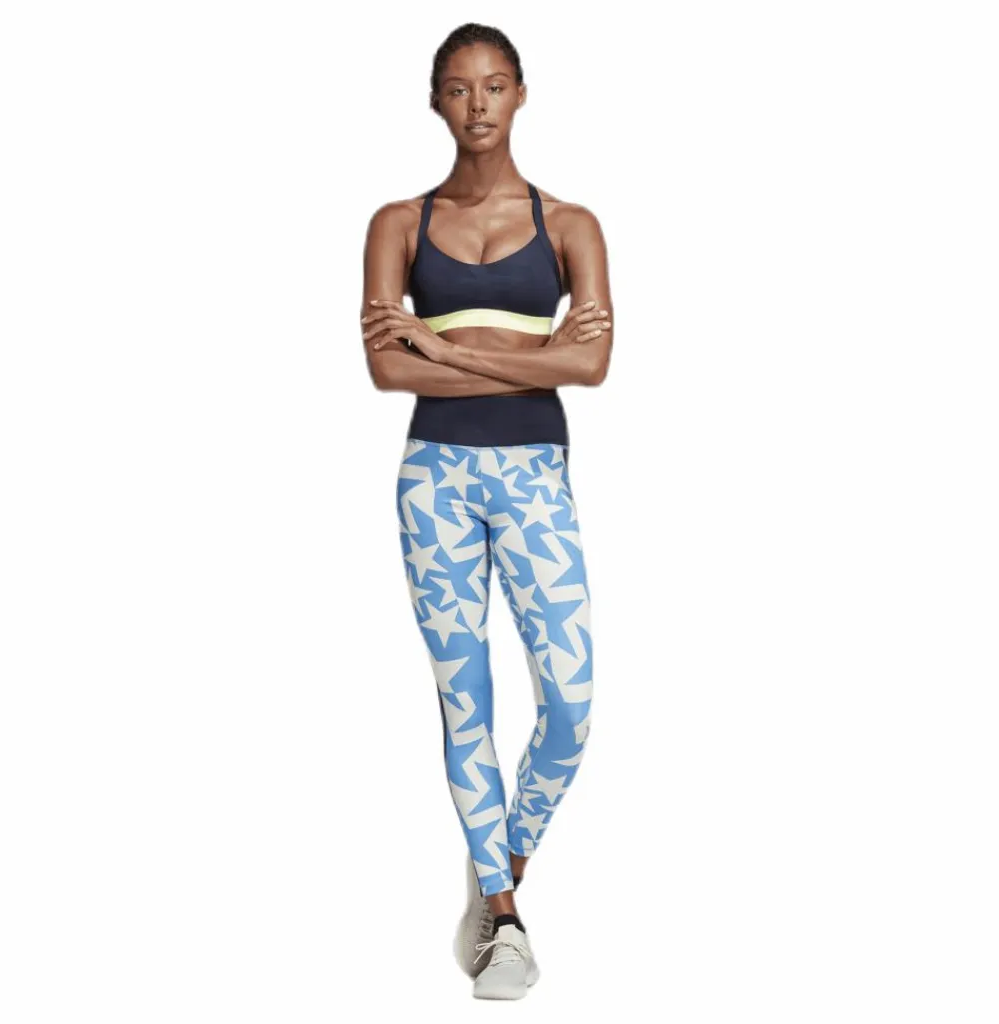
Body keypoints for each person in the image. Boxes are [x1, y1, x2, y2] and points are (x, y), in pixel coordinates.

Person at [360, 22, 613, 1000]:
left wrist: (443, 346)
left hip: (535, 473)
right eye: (460, 88)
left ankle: (493, 862)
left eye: (495, 85)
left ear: (520, 94)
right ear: (436, 100)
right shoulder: (396, 223)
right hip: (434, 476)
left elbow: (593, 364)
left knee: (570, 705)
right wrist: (529, 358)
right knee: (466, 701)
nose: (478, 105)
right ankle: (505, 923)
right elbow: (388, 373)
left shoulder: (571, 224)